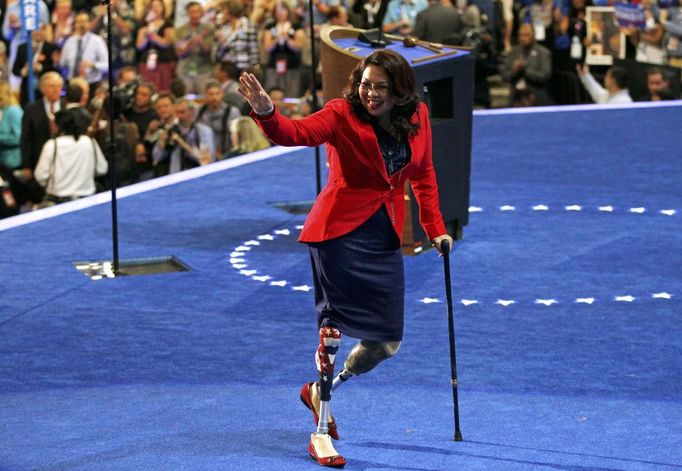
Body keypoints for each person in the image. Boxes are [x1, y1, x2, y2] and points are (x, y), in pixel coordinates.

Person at [238, 49, 453, 467]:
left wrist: (436, 228)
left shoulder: (418, 116)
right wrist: (267, 113)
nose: (370, 94)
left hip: (383, 231)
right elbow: (294, 133)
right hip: (337, 231)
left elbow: (423, 174)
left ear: (400, 91)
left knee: (386, 343)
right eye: (365, 85)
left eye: (380, 87)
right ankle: (320, 432)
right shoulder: (341, 114)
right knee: (333, 330)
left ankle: (323, 389)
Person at [34, 107, 108, 205]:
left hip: (57, 201)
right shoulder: (89, 142)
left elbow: (40, 176)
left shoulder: (52, 145)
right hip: (87, 200)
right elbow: (102, 169)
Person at [151, 97, 214, 175]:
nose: (179, 116)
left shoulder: (204, 131)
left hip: (198, 174)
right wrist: (162, 142)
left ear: (192, 112)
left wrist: (181, 142)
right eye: (177, 113)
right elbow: (156, 157)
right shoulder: (171, 130)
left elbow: (205, 159)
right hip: (176, 175)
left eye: (182, 112)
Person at [500, 22, 553, 106]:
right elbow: (504, 75)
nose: (522, 38)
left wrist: (525, 69)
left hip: (536, 97)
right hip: (516, 99)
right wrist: (514, 71)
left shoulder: (542, 52)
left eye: (526, 35)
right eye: (520, 35)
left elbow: (545, 76)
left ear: (533, 36)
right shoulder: (514, 52)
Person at [59, 11, 109, 90]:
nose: (82, 25)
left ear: (89, 23)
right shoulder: (69, 42)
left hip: (91, 84)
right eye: (79, 22)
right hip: (72, 83)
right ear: (75, 24)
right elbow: (62, 64)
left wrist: (93, 65)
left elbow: (107, 64)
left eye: (84, 21)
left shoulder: (97, 41)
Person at [175, 1, 215, 95]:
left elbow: (208, 50)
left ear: (201, 13)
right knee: (185, 98)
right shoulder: (180, 30)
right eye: (192, 12)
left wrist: (200, 41)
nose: (195, 15)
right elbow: (179, 53)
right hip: (185, 70)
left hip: (204, 70)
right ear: (187, 13)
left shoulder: (208, 28)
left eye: (197, 11)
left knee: (205, 96)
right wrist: (192, 42)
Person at [0, 82, 24, 171]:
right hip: (5, 161)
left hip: (14, 162)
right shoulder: (3, 111)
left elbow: (19, 137)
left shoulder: (14, 111)